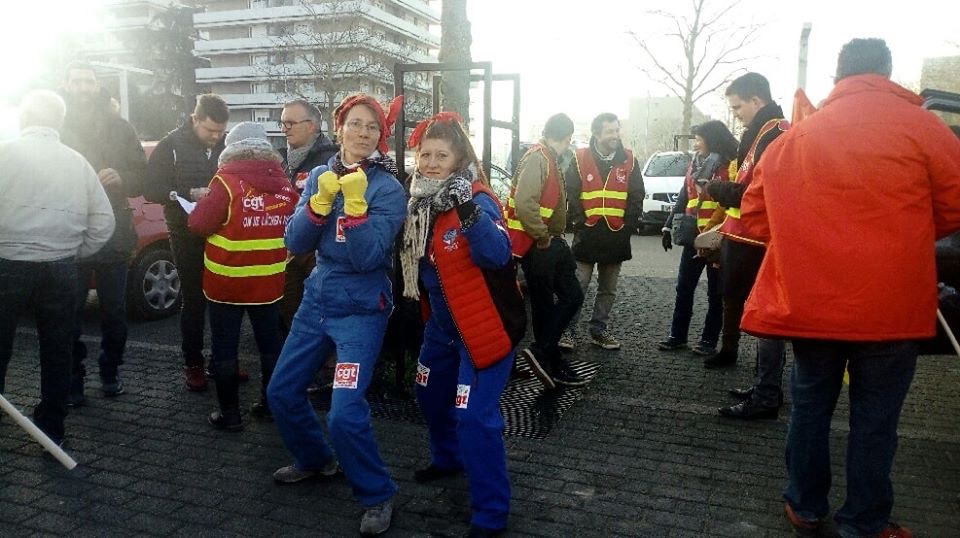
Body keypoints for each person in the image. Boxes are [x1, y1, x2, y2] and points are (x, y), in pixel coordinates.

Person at [741, 38, 960, 538]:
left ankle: (804, 505)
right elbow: (954, 205)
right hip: (891, 307)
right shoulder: (923, 127)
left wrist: (806, 233)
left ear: (838, 77)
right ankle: (863, 522)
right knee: (876, 420)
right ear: (888, 72)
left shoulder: (796, 137)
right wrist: (908, 232)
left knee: (811, 407)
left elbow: (754, 217)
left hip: (812, 305)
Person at [267, 93, 406, 536]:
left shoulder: (388, 188)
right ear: (340, 126)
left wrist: (359, 208)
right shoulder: (319, 176)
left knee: (344, 414)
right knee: (282, 392)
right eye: (356, 124)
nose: (363, 133)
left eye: (372, 128)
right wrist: (317, 204)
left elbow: (368, 258)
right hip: (317, 302)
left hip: (362, 310)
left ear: (380, 136)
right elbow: (295, 241)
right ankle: (315, 460)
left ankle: (378, 493)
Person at [399, 112, 525, 537]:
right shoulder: (418, 202)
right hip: (442, 328)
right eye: (425, 155)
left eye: (441, 155)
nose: (431, 163)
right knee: (429, 392)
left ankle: (491, 513)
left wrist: (467, 209)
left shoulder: (477, 198)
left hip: (482, 328)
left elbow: (497, 256)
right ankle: (447, 457)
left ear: (458, 160)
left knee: (473, 416)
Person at [0, 90, 115, 445]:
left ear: (23, 118)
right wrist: (76, 250)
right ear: (59, 121)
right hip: (61, 267)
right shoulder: (76, 162)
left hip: (7, 265)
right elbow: (103, 221)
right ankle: (52, 427)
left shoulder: (4, 155)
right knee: (57, 349)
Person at [187, 122, 298, 431]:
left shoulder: (225, 182)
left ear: (230, 148)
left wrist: (199, 204)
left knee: (225, 346)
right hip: (270, 280)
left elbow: (198, 225)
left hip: (227, 281)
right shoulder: (285, 184)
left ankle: (230, 415)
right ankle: (270, 405)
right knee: (271, 345)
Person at [59, 62, 147, 407]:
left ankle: (110, 371)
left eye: (89, 82)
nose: (83, 88)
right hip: (69, 231)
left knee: (114, 313)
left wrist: (122, 175)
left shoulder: (120, 127)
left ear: (97, 86)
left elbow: (142, 176)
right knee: (68, 314)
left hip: (113, 231)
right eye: (77, 81)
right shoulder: (57, 126)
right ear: (66, 84)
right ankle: (73, 379)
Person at [707, 73, 790, 420]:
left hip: (761, 241)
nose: (736, 114)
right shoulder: (761, 134)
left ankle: (768, 394)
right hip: (748, 238)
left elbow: (758, 194)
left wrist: (718, 190)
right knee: (758, 317)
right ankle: (764, 385)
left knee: (767, 320)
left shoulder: (775, 135)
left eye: (737, 107)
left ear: (756, 101)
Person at [143, 94, 228, 392]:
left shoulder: (226, 144)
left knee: (224, 298)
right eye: (210, 131)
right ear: (195, 119)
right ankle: (193, 363)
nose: (215, 137)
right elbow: (150, 188)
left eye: (220, 131)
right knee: (193, 299)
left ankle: (223, 360)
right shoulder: (171, 145)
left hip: (222, 233)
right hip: (185, 232)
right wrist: (185, 193)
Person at [504, 113, 585, 390]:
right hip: (539, 243)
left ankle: (546, 354)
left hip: (545, 241)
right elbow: (526, 203)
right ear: (567, 138)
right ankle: (545, 354)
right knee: (564, 298)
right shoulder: (540, 157)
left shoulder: (544, 157)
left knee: (553, 301)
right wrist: (541, 236)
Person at [562, 112, 644, 351]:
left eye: (617, 130)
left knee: (608, 289)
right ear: (596, 134)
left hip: (616, 234)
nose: (615, 136)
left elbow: (637, 194)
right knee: (579, 285)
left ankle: (599, 331)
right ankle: (567, 331)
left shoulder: (629, 159)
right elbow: (572, 193)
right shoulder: (579, 158)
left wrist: (628, 225)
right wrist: (579, 221)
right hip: (587, 233)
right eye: (610, 131)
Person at [658, 121, 737, 356]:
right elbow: (684, 196)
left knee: (715, 293)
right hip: (693, 236)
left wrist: (715, 230)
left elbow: (729, 203)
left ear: (712, 139)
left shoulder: (730, 165)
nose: (696, 143)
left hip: (715, 239)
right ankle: (677, 336)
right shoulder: (694, 164)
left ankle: (708, 341)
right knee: (684, 288)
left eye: (699, 138)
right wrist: (667, 226)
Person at [276, 99, 338, 336]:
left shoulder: (331, 160)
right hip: (289, 249)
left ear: (312, 126)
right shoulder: (283, 161)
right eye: (282, 123)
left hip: (318, 254)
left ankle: (324, 367)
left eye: (290, 123)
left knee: (320, 316)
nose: (285, 129)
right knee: (291, 315)